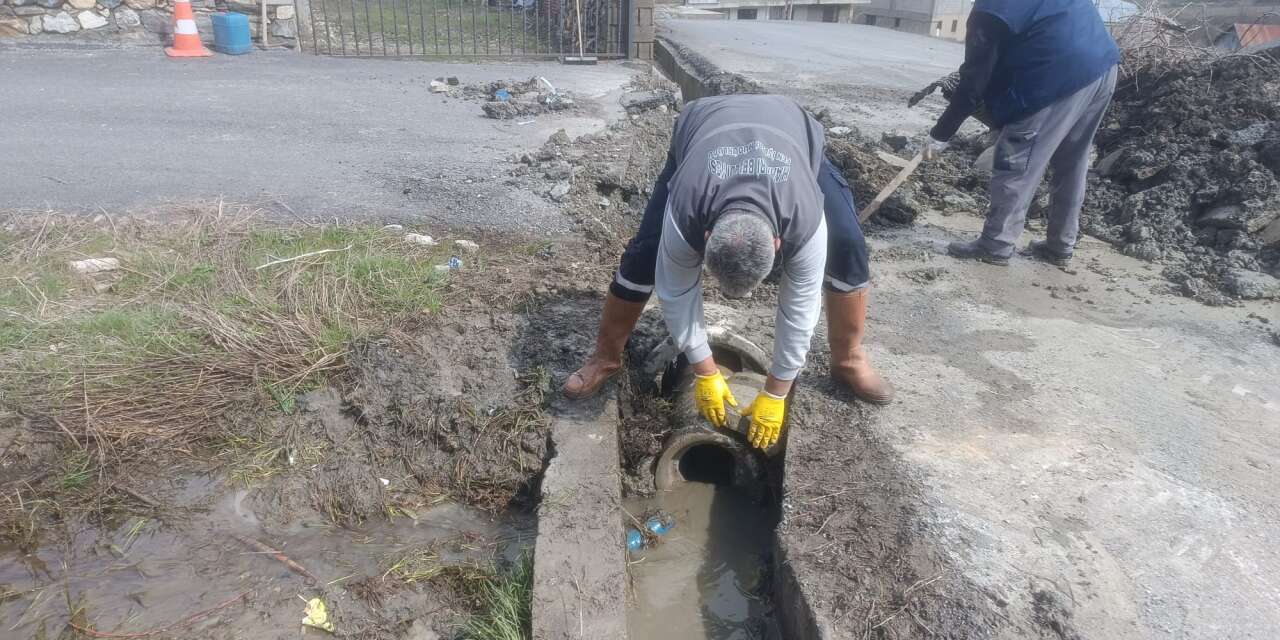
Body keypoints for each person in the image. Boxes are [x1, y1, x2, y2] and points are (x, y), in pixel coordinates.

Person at [561, 94, 894, 451]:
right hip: (704, 131)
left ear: (778, 244)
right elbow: (675, 292)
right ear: (706, 236)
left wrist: (777, 391)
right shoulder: (688, 203)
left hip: (790, 135)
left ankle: (848, 359)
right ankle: (606, 357)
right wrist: (704, 370)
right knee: (646, 252)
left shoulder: (804, 218)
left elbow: (801, 307)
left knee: (848, 244)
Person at [922, 0, 1120, 266]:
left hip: (1056, 75)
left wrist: (940, 134)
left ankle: (995, 245)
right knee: (1073, 160)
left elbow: (973, 85)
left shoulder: (990, 10)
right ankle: (1060, 245)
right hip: (1102, 66)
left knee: (1018, 160)